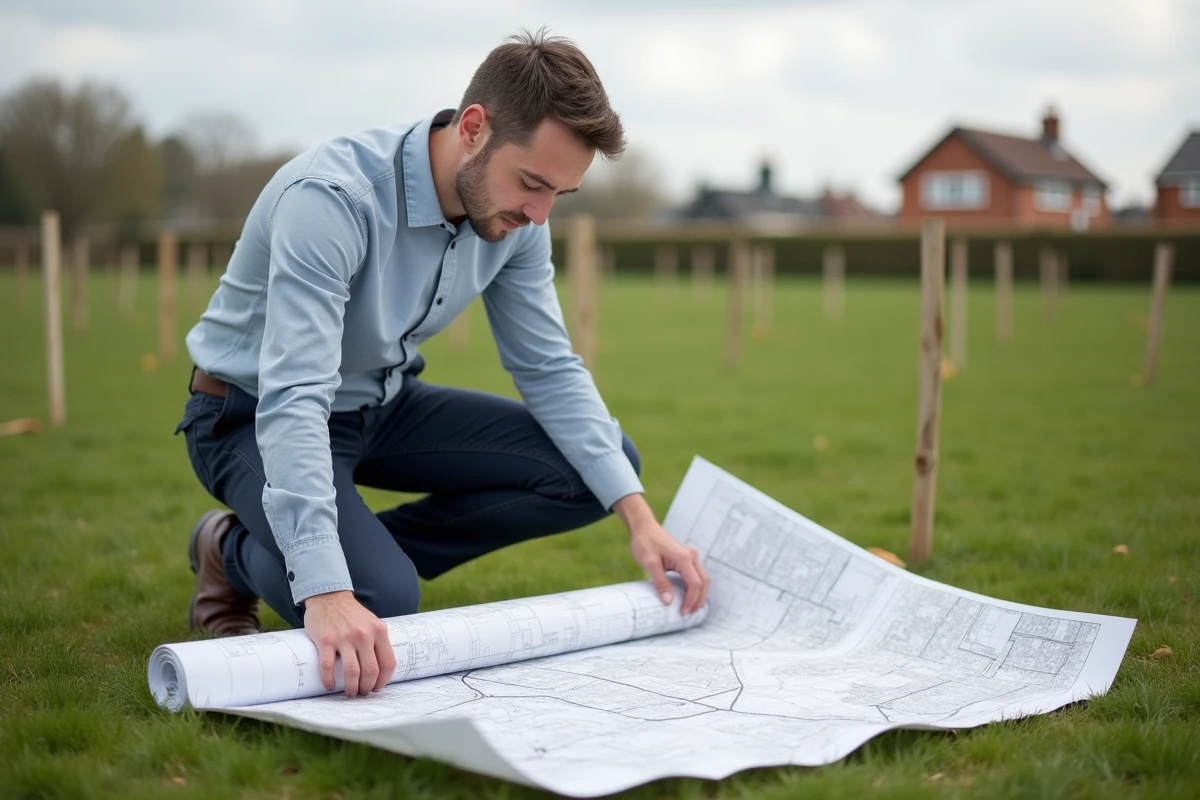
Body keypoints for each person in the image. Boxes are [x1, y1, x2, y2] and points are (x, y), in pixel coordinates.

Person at [175, 29, 710, 699]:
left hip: (379, 404)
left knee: (602, 471)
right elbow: (295, 398)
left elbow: (547, 365)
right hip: (249, 415)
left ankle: (330, 550)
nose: (540, 214)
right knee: (378, 599)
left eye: (559, 197)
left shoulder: (518, 224)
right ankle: (231, 549)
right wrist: (328, 587)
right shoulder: (332, 200)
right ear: (475, 128)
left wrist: (640, 520)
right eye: (533, 184)